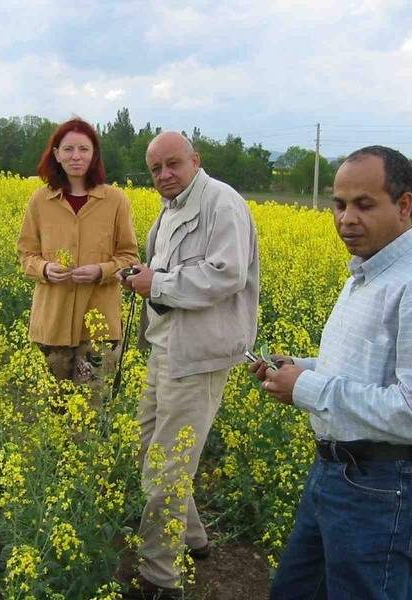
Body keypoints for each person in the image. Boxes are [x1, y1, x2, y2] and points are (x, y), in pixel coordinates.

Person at [250, 146, 412, 599]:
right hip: (337, 474)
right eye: (339, 204)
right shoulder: (369, 273)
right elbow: (363, 373)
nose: (346, 218)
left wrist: (309, 387)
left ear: (404, 206)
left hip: (383, 486)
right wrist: (300, 369)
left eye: (364, 204)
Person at [116, 132, 260, 599]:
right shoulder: (173, 206)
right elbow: (168, 273)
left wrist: (156, 283)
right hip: (166, 347)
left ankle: (160, 579)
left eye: (172, 164)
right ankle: (194, 537)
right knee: (150, 451)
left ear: (196, 160)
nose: (164, 175)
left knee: (167, 467)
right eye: (155, 169)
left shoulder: (221, 203)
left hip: (198, 356)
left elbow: (226, 273)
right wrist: (143, 276)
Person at [17, 118, 140, 394]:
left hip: (100, 326)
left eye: (84, 149)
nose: (76, 156)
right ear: (56, 154)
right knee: (54, 410)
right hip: (52, 323)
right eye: (69, 149)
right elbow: (26, 254)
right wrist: (45, 268)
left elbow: (129, 256)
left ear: (94, 154)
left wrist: (101, 271)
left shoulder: (117, 201)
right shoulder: (39, 201)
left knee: (91, 412)